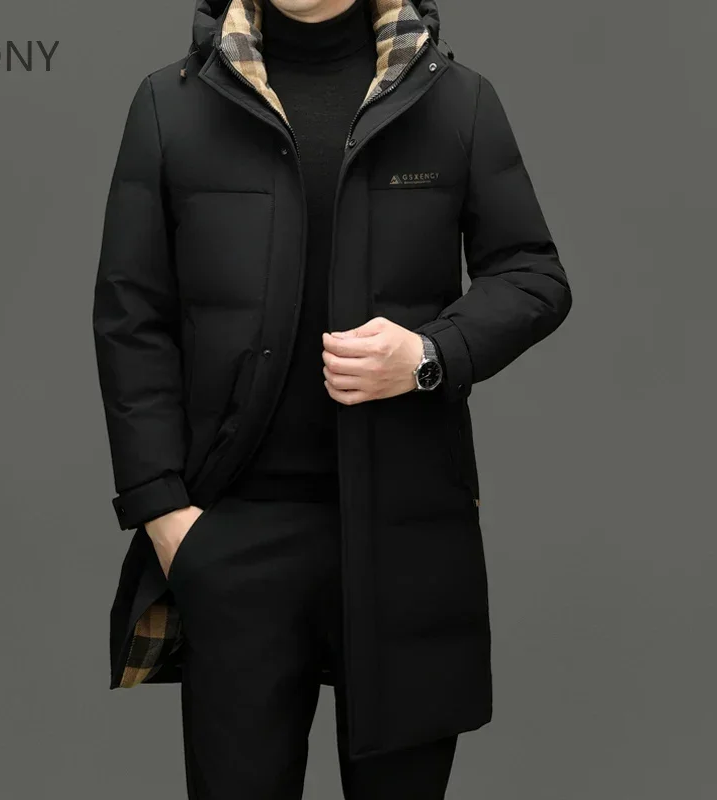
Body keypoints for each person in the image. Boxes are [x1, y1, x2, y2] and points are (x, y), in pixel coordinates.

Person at [92, 0, 573, 796]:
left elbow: (534, 275)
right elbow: (130, 317)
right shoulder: (170, 103)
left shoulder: (456, 99)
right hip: (233, 536)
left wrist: (428, 356)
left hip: (409, 535)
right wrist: (167, 518)